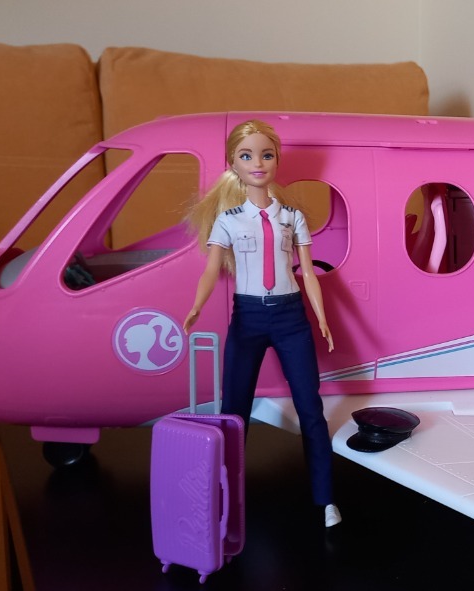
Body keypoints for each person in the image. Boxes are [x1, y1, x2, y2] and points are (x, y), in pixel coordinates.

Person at [183, 119, 341, 527]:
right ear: (233, 163)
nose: (258, 163)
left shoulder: (292, 217)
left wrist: (322, 317)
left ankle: (325, 497)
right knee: (233, 410)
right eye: (247, 155)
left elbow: (307, 272)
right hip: (248, 318)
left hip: (291, 316)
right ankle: (222, 497)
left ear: (276, 160)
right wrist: (197, 306)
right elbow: (211, 270)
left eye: (266, 155)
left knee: (310, 407)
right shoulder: (229, 220)